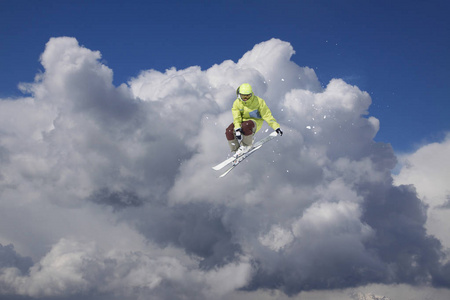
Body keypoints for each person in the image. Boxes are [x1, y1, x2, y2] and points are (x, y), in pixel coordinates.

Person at [225, 83, 283, 156]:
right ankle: (237, 150)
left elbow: (267, 115)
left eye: (248, 96)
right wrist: (237, 128)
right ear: (239, 95)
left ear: (251, 94)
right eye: (243, 96)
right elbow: (237, 117)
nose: (245, 98)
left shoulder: (259, 101)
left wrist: (276, 127)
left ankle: (246, 145)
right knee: (229, 131)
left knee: (246, 125)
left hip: (254, 122)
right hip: (242, 122)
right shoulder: (237, 103)